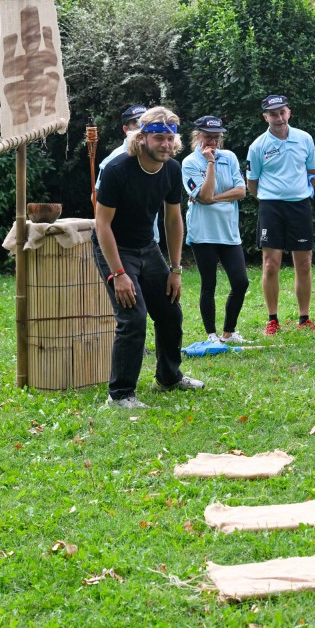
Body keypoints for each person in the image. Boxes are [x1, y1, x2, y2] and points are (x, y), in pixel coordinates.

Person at [92, 106, 203, 408]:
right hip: (115, 246)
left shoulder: (171, 169)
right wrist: (118, 273)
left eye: (170, 139)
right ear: (142, 139)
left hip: (146, 246)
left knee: (170, 310)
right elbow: (101, 225)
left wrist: (176, 269)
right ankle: (120, 394)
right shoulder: (117, 170)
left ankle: (169, 378)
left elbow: (173, 220)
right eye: (159, 139)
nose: (166, 145)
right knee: (133, 316)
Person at [245, 94, 315, 336]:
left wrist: (311, 184)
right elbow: (252, 183)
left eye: (282, 112)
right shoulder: (258, 146)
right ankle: (272, 320)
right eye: (273, 114)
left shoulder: (304, 139)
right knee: (270, 264)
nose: (279, 118)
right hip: (271, 207)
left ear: (289, 113)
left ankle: (304, 317)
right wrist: (269, 199)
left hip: (299, 206)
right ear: (265, 117)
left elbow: (312, 170)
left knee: (304, 263)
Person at [182, 115, 249, 344]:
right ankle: (211, 335)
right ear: (197, 136)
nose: (212, 141)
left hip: (228, 233)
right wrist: (210, 163)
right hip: (203, 233)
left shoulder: (229, 157)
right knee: (208, 284)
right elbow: (204, 194)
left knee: (241, 282)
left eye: (216, 137)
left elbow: (241, 191)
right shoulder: (190, 163)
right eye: (208, 136)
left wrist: (214, 198)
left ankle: (229, 332)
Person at [97, 104, 159, 243]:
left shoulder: (159, 155)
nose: (142, 128)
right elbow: (96, 197)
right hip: (121, 241)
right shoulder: (112, 161)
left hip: (150, 237)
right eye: (137, 124)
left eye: (146, 123)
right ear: (125, 130)